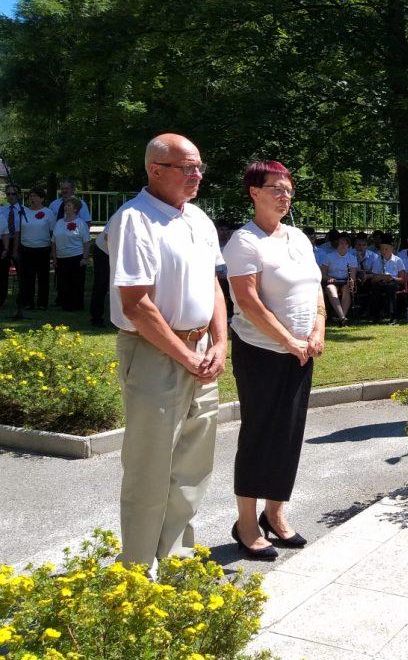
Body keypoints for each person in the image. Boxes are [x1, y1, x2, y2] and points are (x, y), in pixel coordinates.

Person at [106, 134, 227, 567]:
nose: (197, 175)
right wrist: (186, 355)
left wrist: (220, 343)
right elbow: (136, 304)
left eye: (199, 167)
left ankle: (176, 560)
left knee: (193, 465)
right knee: (149, 466)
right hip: (155, 353)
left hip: (201, 352)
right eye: (187, 167)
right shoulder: (134, 220)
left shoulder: (198, 218)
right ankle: (138, 569)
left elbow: (214, 285)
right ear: (156, 170)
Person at [224, 161, 324, 560]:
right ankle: (246, 523)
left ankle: (275, 514)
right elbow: (247, 301)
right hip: (261, 353)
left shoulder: (298, 237)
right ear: (254, 192)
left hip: (301, 352)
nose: (285, 197)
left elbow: (316, 288)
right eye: (276, 189)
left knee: (289, 433)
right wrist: (287, 340)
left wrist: (317, 330)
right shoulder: (244, 242)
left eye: (288, 191)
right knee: (260, 433)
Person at [17, 188, 56, 318]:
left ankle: (42, 303)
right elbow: (19, 230)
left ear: (42, 198)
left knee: (43, 277)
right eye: (30, 196)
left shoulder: (48, 213)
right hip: (26, 248)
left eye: (35, 196)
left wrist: (53, 250)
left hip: (42, 249)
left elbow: (53, 233)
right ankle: (28, 302)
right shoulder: (24, 211)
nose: (32, 198)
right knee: (28, 277)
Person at [51, 197, 89, 311]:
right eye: (65, 205)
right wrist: (54, 258)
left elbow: (86, 242)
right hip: (61, 257)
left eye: (69, 205)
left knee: (76, 283)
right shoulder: (59, 222)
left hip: (76, 257)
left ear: (75, 209)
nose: (65, 207)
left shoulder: (81, 223)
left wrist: (85, 258)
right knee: (63, 283)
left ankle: (76, 305)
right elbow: (53, 241)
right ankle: (65, 304)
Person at [319, 233, 357, 325]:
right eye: (341, 243)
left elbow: (352, 276)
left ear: (348, 246)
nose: (343, 246)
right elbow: (322, 274)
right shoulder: (328, 256)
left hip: (345, 281)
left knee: (347, 289)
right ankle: (342, 317)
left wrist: (351, 280)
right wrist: (329, 278)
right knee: (330, 289)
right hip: (332, 281)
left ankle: (341, 318)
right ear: (337, 244)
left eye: (345, 244)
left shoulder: (352, 258)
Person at [369, 235, 406, 322]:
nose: (384, 251)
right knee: (375, 288)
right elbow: (373, 279)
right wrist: (381, 277)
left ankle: (393, 316)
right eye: (382, 249)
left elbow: (402, 279)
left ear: (392, 249)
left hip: (393, 283)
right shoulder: (377, 260)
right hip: (381, 282)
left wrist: (392, 278)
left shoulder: (398, 260)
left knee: (391, 287)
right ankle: (376, 316)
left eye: (386, 249)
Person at [0, 184, 25, 312]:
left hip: (20, 244)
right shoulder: (2, 210)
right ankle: (1, 299)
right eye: (8, 194)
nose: (10, 196)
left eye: (13, 194)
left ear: (19, 195)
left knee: (22, 272)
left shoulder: (24, 211)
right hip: (4, 243)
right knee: (2, 273)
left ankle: (23, 299)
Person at [90, 224, 111, 326]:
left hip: (114, 252)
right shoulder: (120, 216)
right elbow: (108, 237)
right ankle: (96, 317)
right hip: (103, 251)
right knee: (101, 284)